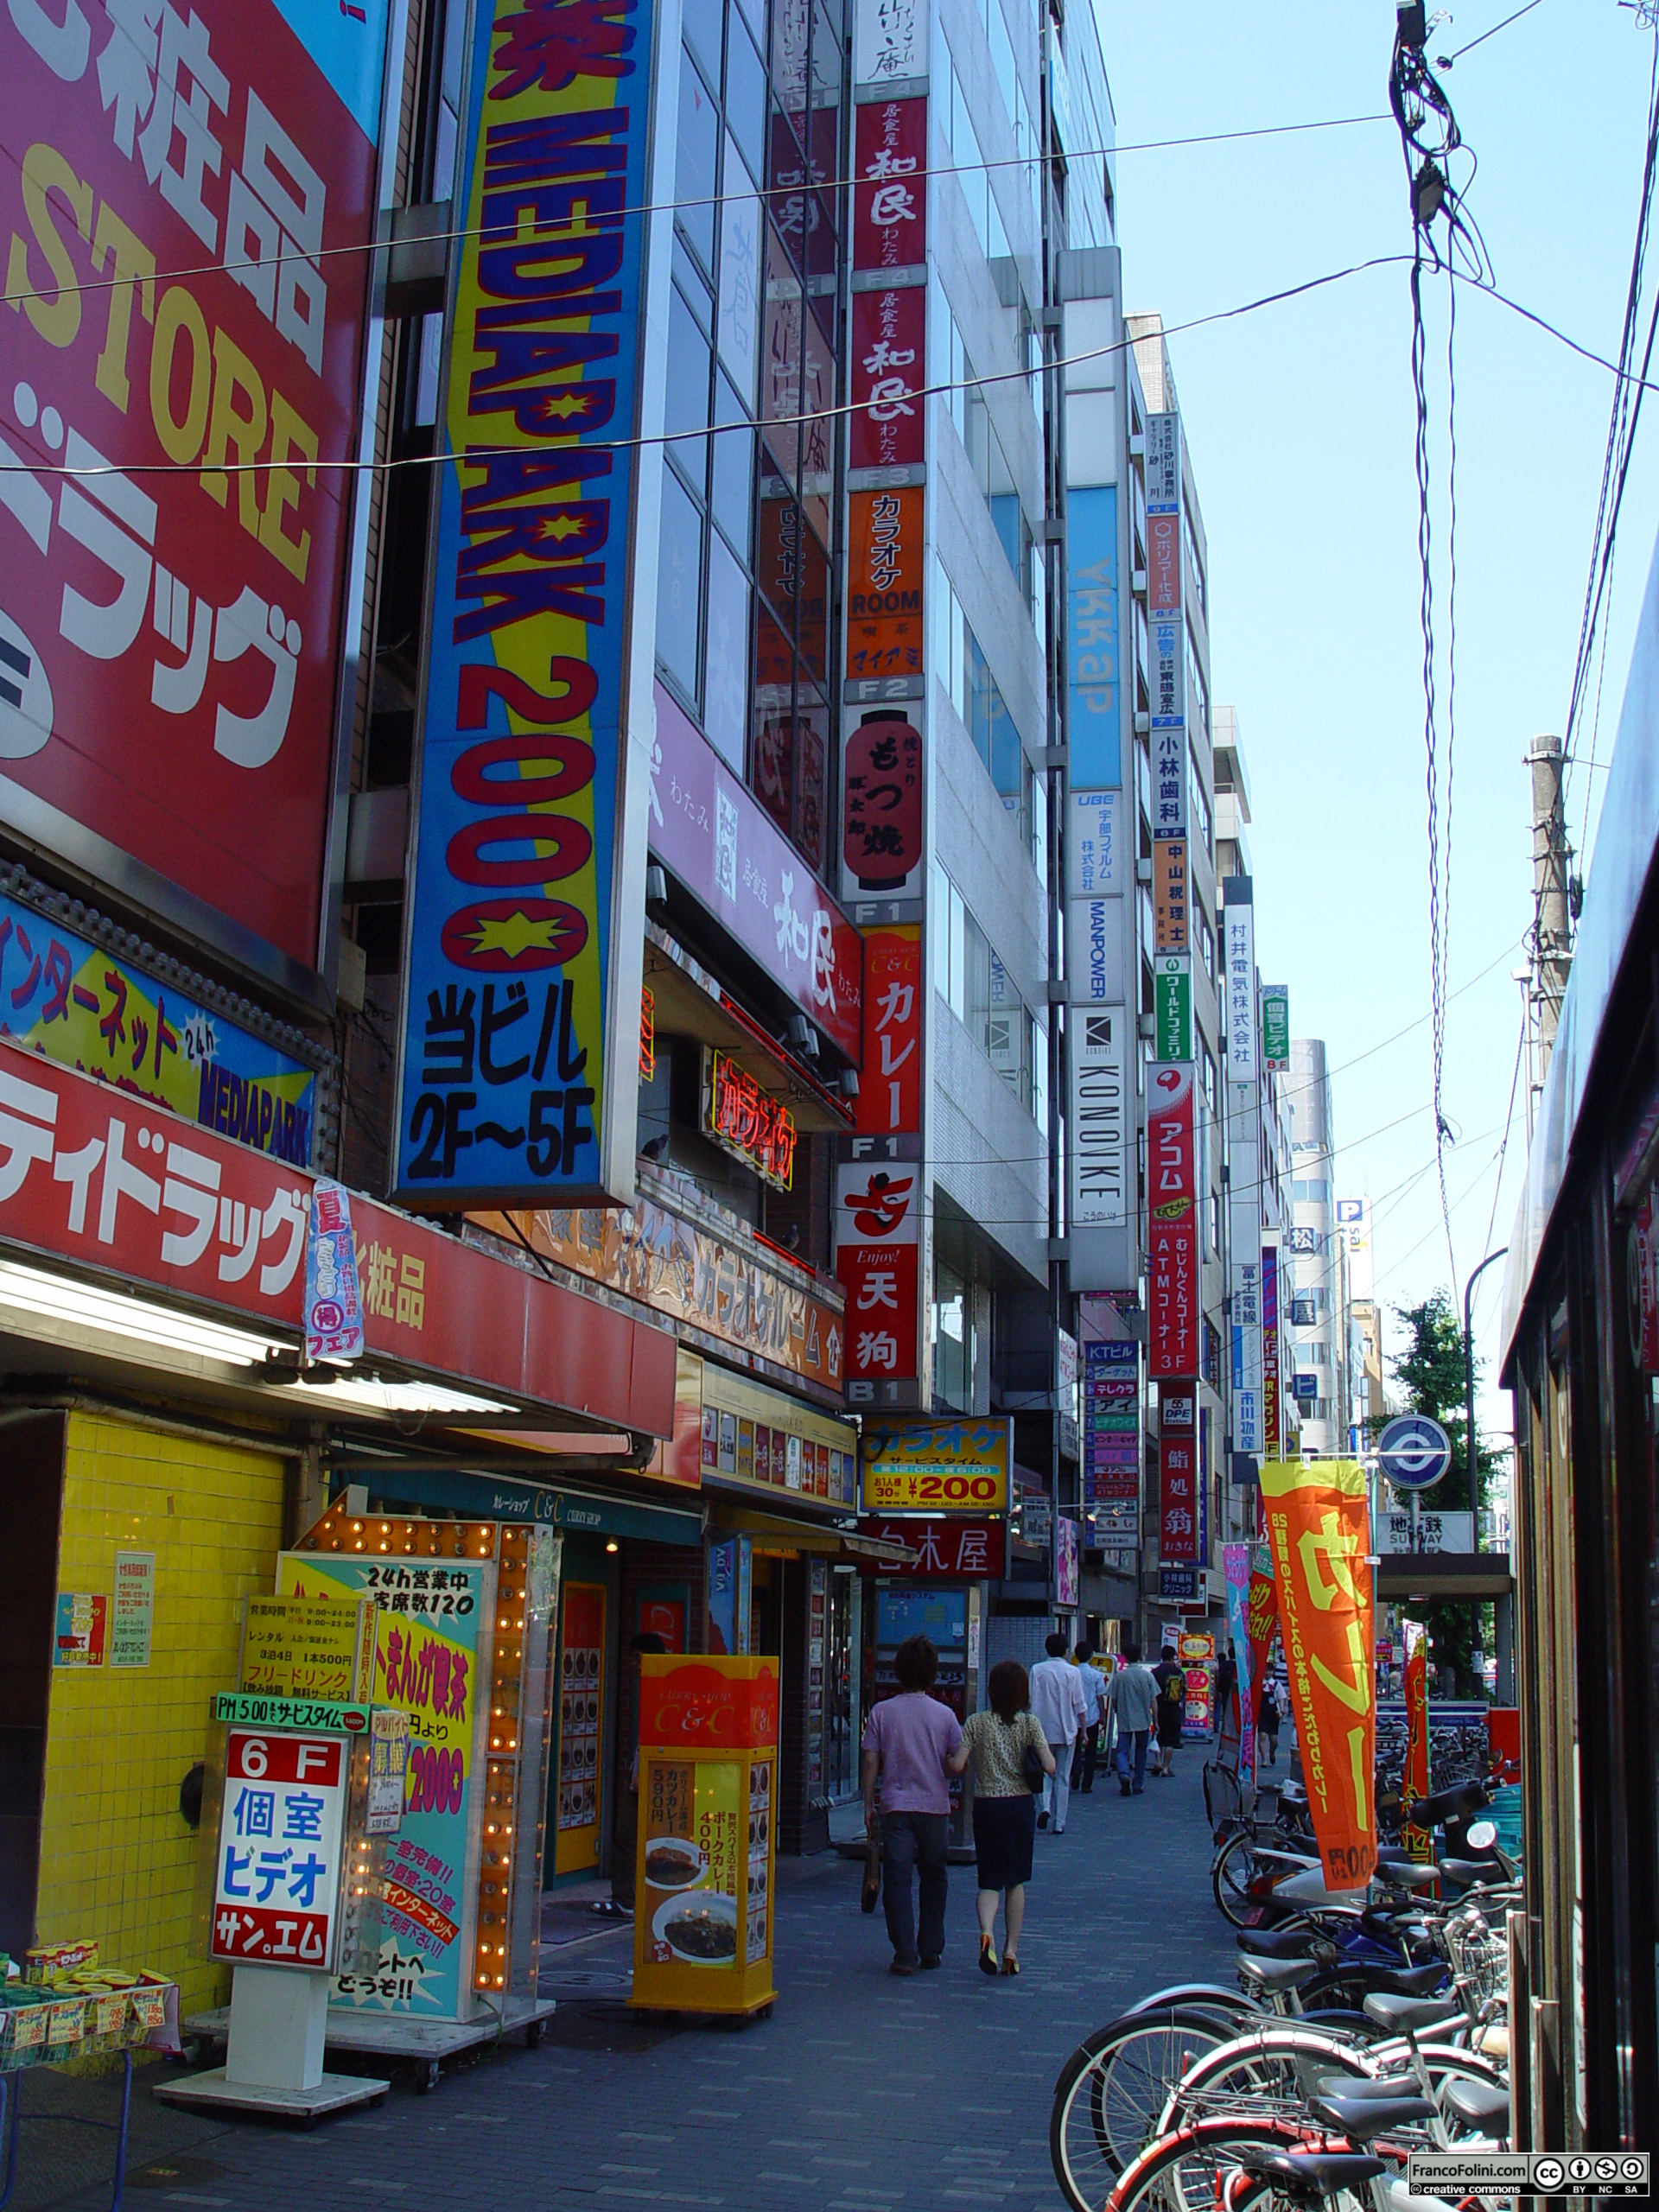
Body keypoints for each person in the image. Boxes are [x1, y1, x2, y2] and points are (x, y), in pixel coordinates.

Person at [861, 1634, 963, 1974]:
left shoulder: (881, 1712)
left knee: (898, 1876)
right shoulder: (945, 1715)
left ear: (899, 1670)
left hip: (896, 1806)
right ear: (933, 1672)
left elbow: (871, 1761)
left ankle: (904, 1953)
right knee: (935, 1875)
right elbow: (953, 1764)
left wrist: (868, 1805)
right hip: (934, 1806)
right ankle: (930, 1948)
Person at [945, 1659, 1054, 1976]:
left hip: (987, 1806)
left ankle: (987, 1933)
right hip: (1019, 1806)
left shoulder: (977, 1723)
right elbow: (1050, 1766)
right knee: (1015, 1880)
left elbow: (957, 1766)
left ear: (992, 1690)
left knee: (989, 1879)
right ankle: (1011, 1950)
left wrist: (948, 1756)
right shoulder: (1029, 1724)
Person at [596, 1630, 669, 1916]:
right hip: (649, 1773)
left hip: (649, 1775)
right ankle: (638, 1897)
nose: (634, 1665)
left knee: (628, 1836)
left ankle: (627, 1899)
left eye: (638, 1659)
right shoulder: (661, 1684)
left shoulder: (661, 1685)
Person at [1029, 1630, 1089, 1833]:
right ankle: (1060, 1822)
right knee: (1063, 1776)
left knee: (1044, 1772)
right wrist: (1084, 1731)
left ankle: (1044, 1807)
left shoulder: (1037, 1670)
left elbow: (1030, 1701)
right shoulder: (1073, 1672)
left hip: (1041, 1730)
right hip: (1067, 1731)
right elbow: (1080, 1705)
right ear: (1065, 1651)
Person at [1107, 1642, 1158, 1796]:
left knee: (1122, 1750)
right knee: (1141, 1752)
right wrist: (1156, 1720)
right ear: (1140, 1656)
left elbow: (1113, 1699)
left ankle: (1124, 1773)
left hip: (1125, 1718)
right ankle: (1138, 1783)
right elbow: (1154, 1700)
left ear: (1126, 1657)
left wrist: (1117, 1711)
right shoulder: (1147, 1676)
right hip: (1143, 1718)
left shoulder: (1119, 1677)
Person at [1070, 1643, 1105, 1794]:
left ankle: (1076, 1769)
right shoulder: (1096, 1675)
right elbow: (1100, 1697)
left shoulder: (1072, 1673)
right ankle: (1087, 1784)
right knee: (1091, 1752)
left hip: (1073, 1717)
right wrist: (1102, 1715)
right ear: (1091, 1656)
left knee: (1074, 1749)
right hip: (1091, 1716)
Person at [1151, 1644, 1186, 1777]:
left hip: (1159, 1708)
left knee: (1158, 1736)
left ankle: (1158, 1762)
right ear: (1173, 1657)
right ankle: (1166, 1768)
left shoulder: (1155, 1672)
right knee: (1171, 1740)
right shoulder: (1178, 1672)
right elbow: (1185, 1690)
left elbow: (1152, 1693)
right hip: (1174, 1708)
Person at [1259, 1678, 1281, 1766]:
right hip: (1261, 1713)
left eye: (1270, 1670)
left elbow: (1282, 1698)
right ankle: (1264, 1759)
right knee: (1262, 1735)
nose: (1267, 1673)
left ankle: (1272, 1753)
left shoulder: (1276, 1684)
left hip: (1273, 1714)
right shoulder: (1259, 1683)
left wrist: (1282, 1711)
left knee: (1274, 1740)